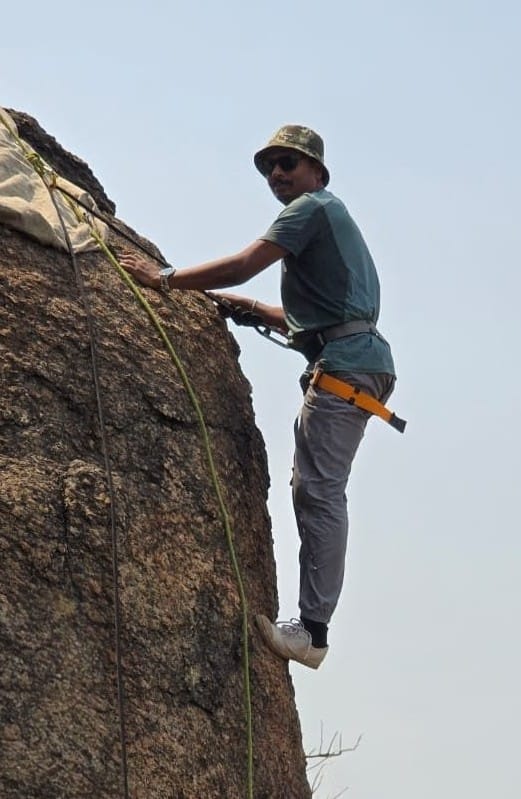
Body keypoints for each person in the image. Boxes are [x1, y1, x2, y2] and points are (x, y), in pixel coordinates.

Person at [119, 124, 397, 671]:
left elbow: (248, 261)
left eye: (288, 163)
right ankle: (313, 625)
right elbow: (312, 321)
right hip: (354, 357)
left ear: (316, 171)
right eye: (270, 165)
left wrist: (165, 279)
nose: (277, 174)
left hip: (345, 366)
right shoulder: (328, 216)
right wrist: (243, 309)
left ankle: (312, 631)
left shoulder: (310, 209)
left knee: (318, 491)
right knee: (316, 488)